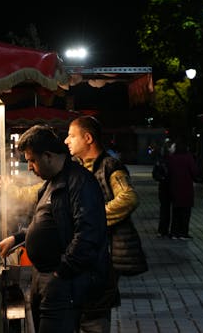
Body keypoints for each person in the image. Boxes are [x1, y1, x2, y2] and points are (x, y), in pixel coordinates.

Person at [0, 124, 109, 333]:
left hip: (63, 281)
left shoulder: (79, 182)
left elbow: (88, 234)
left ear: (48, 156)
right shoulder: (50, 183)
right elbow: (45, 222)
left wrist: (62, 272)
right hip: (44, 277)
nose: (29, 167)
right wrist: (16, 238)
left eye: (32, 160)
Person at [64, 115, 143, 332]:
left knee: (95, 309)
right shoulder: (77, 167)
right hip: (87, 249)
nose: (66, 141)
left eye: (71, 135)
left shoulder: (110, 165)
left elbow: (129, 197)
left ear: (88, 138)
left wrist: (92, 219)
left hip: (105, 253)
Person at [166, 137, 200, 240]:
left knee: (175, 211)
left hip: (174, 187)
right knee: (185, 212)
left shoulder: (172, 158)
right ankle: (183, 233)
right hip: (186, 188)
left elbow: (169, 172)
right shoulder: (188, 157)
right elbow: (194, 171)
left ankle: (174, 232)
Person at [153, 138, 171, 238]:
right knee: (166, 210)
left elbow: (155, 174)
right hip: (168, 187)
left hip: (164, 187)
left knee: (164, 210)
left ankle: (163, 230)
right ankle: (165, 230)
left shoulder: (160, 160)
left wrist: (161, 178)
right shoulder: (167, 160)